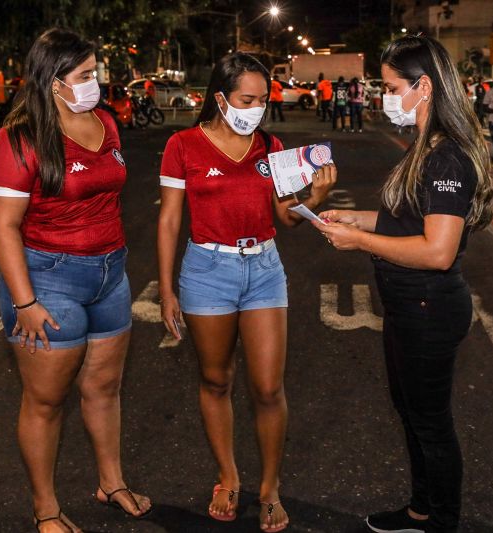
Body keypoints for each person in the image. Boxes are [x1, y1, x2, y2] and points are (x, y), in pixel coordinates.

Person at [316, 35, 493, 533]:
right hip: (406, 304)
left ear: (424, 87)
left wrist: (358, 241)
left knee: (431, 424)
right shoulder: (426, 147)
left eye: (392, 86)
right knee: (413, 415)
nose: (384, 95)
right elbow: (407, 219)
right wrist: (354, 218)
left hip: (428, 307)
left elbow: (437, 251)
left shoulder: (446, 157)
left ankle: (442, 521)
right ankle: (421, 509)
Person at [157, 52, 337, 533]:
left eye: (263, 99)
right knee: (216, 381)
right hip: (206, 270)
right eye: (247, 98)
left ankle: (270, 488)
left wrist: (314, 198)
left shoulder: (271, 147)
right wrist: (168, 290)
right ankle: (228, 475)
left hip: (264, 268)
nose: (256, 108)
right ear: (220, 97)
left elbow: (286, 216)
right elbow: (170, 219)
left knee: (268, 387)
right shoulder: (183, 145)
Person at [0, 28, 151, 532]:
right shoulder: (20, 137)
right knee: (45, 402)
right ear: (53, 82)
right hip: (47, 280)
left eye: (94, 73)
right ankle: (46, 510)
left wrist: (111, 265)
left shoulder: (104, 122)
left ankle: (111, 482)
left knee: (104, 388)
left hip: (110, 274)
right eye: (84, 75)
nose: (94, 83)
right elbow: (2, 224)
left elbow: (107, 194)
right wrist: (25, 301)